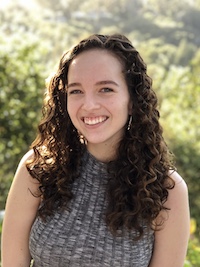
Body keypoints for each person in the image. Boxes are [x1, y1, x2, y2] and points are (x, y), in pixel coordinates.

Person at [1, 34, 190, 267]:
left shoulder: (167, 191)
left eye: (106, 89)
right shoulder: (38, 168)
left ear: (132, 100)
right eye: (76, 91)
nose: (89, 105)